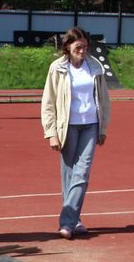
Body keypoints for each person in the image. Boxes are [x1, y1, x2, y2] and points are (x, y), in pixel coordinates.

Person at [40, 26, 110, 240]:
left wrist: (103, 127)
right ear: (67, 47)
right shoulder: (58, 68)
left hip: (90, 124)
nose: (82, 50)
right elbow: (48, 101)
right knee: (69, 175)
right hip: (67, 126)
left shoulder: (94, 66)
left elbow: (104, 99)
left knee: (82, 172)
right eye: (78, 47)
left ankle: (67, 222)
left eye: (85, 47)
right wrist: (51, 132)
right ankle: (75, 220)